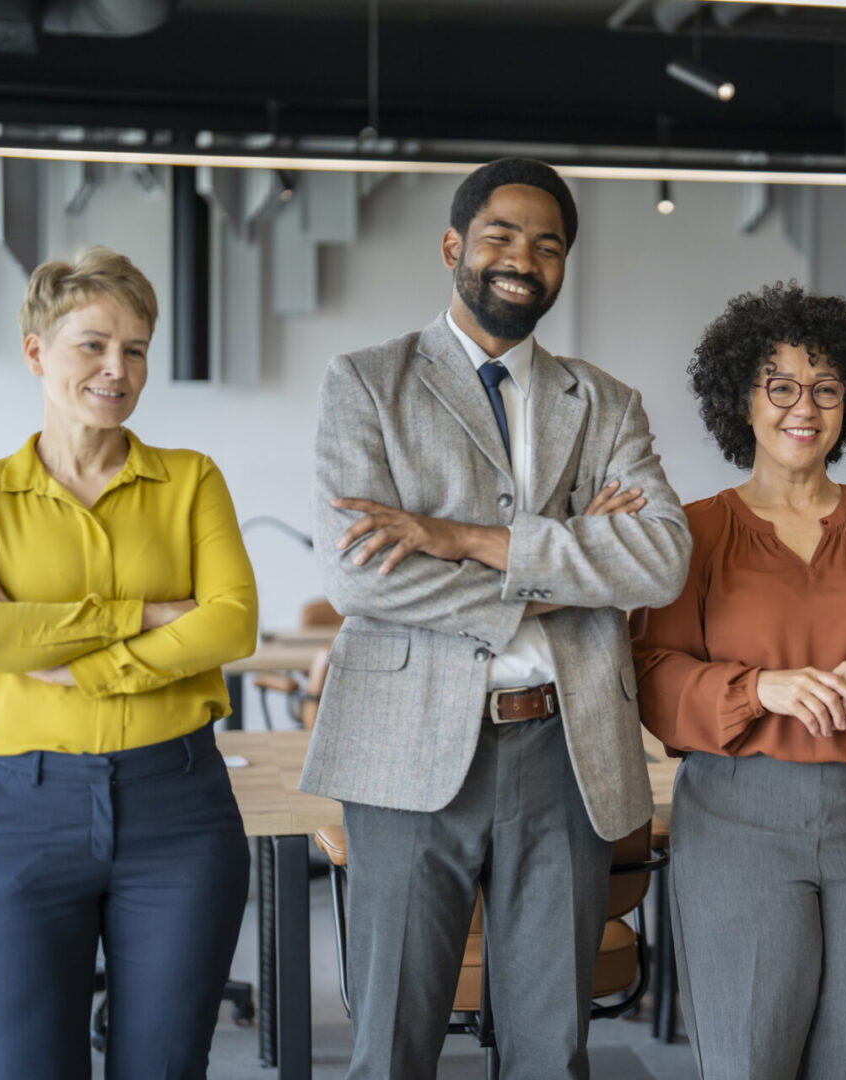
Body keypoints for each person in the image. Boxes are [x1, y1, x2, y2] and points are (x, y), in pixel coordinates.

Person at [297, 157, 691, 1080]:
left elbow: (662, 559)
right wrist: (567, 562)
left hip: (565, 752)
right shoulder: (366, 382)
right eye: (503, 236)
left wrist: (463, 539)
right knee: (393, 1042)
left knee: (552, 1048)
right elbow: (363, 579)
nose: (525, 258)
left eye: (548, 246)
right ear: (454, 248)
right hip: (404, 750)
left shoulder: (605, 403)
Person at [0, 247, 257, 1080]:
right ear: (37, 351)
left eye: (137, 348)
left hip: (178, 811)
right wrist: (141, 617)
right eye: (93, 344)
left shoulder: (191, 480)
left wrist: (72, 666)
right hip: (21, 813)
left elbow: (232, 623)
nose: (118, 368)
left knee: (165, 1068)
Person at [631, 282, 846, 1080]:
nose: (804, 407)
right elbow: (650, 672)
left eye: (825, 387)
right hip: (737, 817)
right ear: (740, 399)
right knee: (753, 1056)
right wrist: (761, 690)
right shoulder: (695, 530)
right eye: (779, 385)